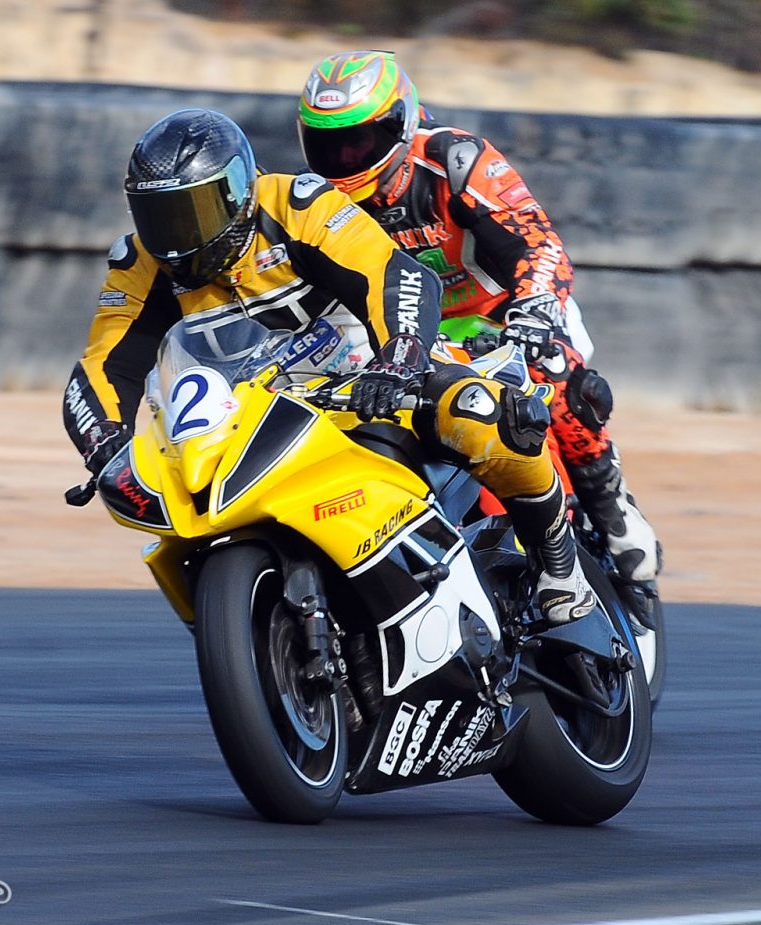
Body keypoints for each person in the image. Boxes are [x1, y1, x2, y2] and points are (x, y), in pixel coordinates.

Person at [63, 108, 596, 624]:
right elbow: (104, 366)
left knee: (476, 410)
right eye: (159, 217)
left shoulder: (295, 204)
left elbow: (390, 273)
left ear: (236, 191)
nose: (177, 236)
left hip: (368, 381)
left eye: (191, 212)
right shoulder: (141, 263)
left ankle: (560, 566)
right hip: (252, 419)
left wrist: (400, 358)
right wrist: (104, 448)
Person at [296, 51, 660, 586]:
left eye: (361, 141)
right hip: (400, 342)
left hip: (499, 320)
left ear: (401, 125)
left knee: (557, 371)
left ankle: (608, 501)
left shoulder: (455, 159)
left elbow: (536, 240)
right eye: (330, 144)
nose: (347, 157)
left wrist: (534, 308)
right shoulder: (312, 200)